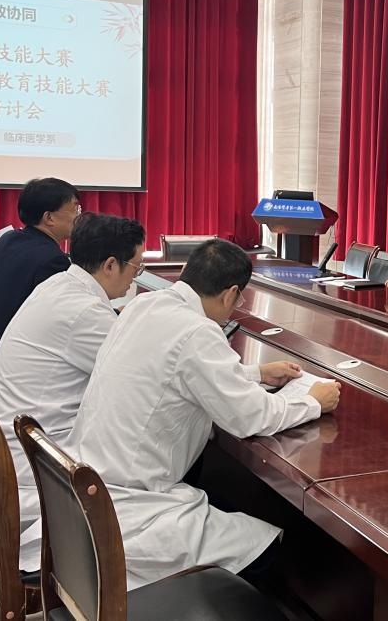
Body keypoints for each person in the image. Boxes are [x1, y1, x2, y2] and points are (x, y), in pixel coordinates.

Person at [58, 239, 342, 587]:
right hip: (131, 505)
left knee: (226, 505)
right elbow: (252, 417)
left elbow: (173, 370)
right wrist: (313, 401)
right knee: (265, 548)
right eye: (238, 300)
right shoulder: (198, 330)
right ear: (231, 293)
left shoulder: (144, 305)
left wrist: (255, 374)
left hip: (91, 484)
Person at [0, 213, 146, 532]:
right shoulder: (85, 311)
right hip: (40, 462)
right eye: (136, 267)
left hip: (17, 443)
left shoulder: (60, 284)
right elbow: (144, 376)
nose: (135, 276)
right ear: (110, 264)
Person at [0, 177, 80, 361]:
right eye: (75, 209)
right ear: (49, 217)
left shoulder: (8, 239)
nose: (78, 216)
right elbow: (68, 319)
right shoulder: (52, 260)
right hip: (20, 359)